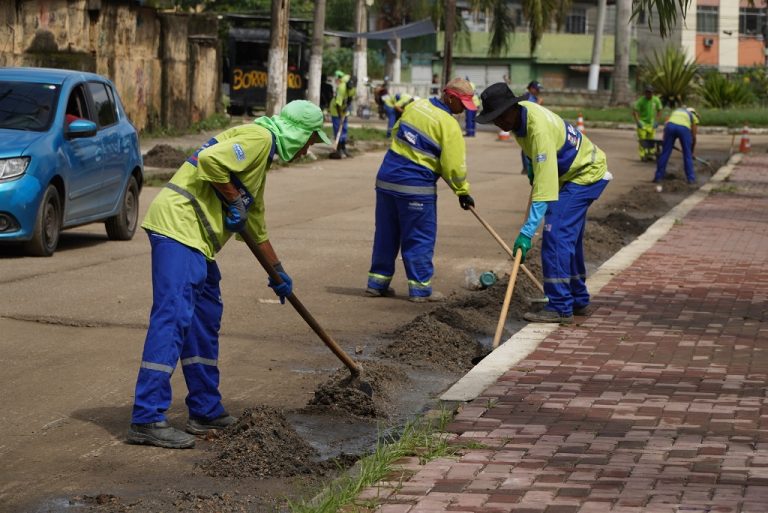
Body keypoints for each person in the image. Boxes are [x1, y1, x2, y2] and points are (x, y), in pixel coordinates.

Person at [127, 100, 330, 449]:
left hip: (198, 241)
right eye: (312, 140)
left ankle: (205, 409)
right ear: (301, 135)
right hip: (178, 229)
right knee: (173, 319)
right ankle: (146, 417)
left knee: (204, 320)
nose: (309, 149)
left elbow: (256, 228)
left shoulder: (260, 161)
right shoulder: (259, 138)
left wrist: (278, 272)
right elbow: (210, 162)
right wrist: (233, 199)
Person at [476, 82, 612, 324]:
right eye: (493, 120)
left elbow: (545, 190)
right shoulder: (521, 118)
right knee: (569, 238)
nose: (499, 124)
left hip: (584, 175)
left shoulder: (537, 128)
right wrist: (532, 168)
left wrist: (527, 232)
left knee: (556, 234)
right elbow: (534, 158)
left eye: (499, 117)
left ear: (512, 108)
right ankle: (577, 299)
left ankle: (560, 306)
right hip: (573, 175)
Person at [366, 78, 477, 303]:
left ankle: (376, 284)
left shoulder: (416, 106)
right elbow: (454, 167)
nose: (464, 110)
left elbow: (396, 133)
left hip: (387, 181)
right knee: (419, 238)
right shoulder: (448, 124)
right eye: (462, 104)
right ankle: (420, 289)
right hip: (416, 188)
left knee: (386, 234)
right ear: (450, 97)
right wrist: (462, 191)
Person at [654, 107, 700, 185]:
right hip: (683, 129)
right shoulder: (692, 115)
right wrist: (691, 151)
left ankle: (658, 177)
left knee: (665, 153)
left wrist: (666, 141)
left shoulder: (676, 111)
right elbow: (693, 137)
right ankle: (691, 178)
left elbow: (666, 124)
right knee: (687, 155)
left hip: (670, 127)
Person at [329, 70, 356, 159]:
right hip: (336, 109)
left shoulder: (352, 87)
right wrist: (340, 114)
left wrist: (347, 106)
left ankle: (343, 148)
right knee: (338, 129)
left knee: (344, 129)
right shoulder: (341, 87)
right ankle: (338, 149)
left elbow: (351, 98)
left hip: (344, 109)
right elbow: (337, 104)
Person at [633, 85, 664, 161]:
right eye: (647, 92)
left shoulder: (656, 100)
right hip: (643, 123)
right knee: (643, 140)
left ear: (652, 93)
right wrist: (638, 122)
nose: (648, 94)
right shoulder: (641, 100)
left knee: (651, 140)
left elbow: (659, 110)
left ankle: (650, 154)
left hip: (651, 124)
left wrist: (657, 121)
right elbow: (635, 111)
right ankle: (643, 155)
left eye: (650, 92)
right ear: (645, 93)